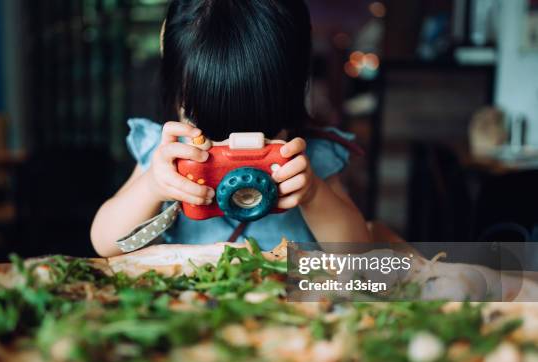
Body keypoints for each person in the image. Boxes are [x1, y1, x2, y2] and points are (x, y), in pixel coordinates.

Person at [91, 0, 370, 257]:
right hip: (187, 302)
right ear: (175, 93)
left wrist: (314, 195)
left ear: (296, 91)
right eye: (208, 132)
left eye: (263, 134)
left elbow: (360, 256)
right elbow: (105, 244)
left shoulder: (312, 160)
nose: (234, 151)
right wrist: (153, 186)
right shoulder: (166, 153)